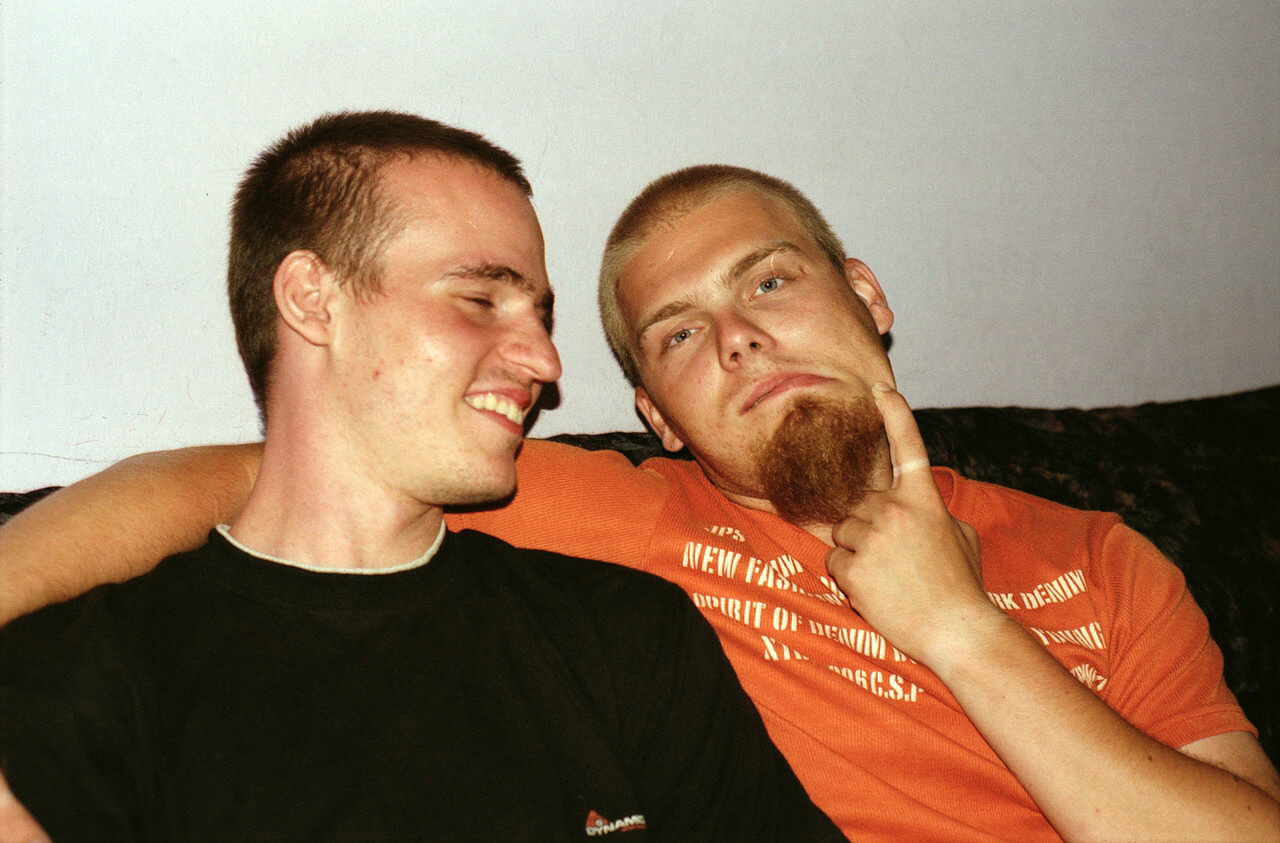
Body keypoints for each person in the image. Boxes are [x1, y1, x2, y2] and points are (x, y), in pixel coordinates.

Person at [2, 163, 1279, 841]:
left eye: (768, 283)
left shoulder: (1101, 554)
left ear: (866, 295)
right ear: (657, 418)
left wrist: (957, 626)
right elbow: (253, 478)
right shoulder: (612, 519)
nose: (737, 339)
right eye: (676, 334)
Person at [0, 115, 841, 841]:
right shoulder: (94, 678)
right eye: (479, 300)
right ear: (312, 300)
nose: (546, 362)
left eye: (540, 315)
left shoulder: (628, 637)